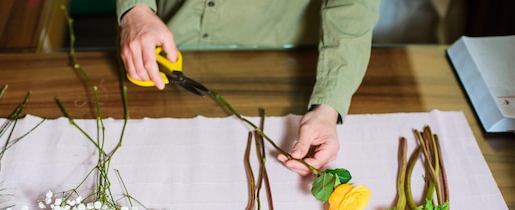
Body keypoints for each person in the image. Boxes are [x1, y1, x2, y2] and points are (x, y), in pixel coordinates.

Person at [116, 0, 380, 176]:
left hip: (278, 56)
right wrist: (135, 9)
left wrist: (328, 103)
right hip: (155, 39)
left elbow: (353, 6)